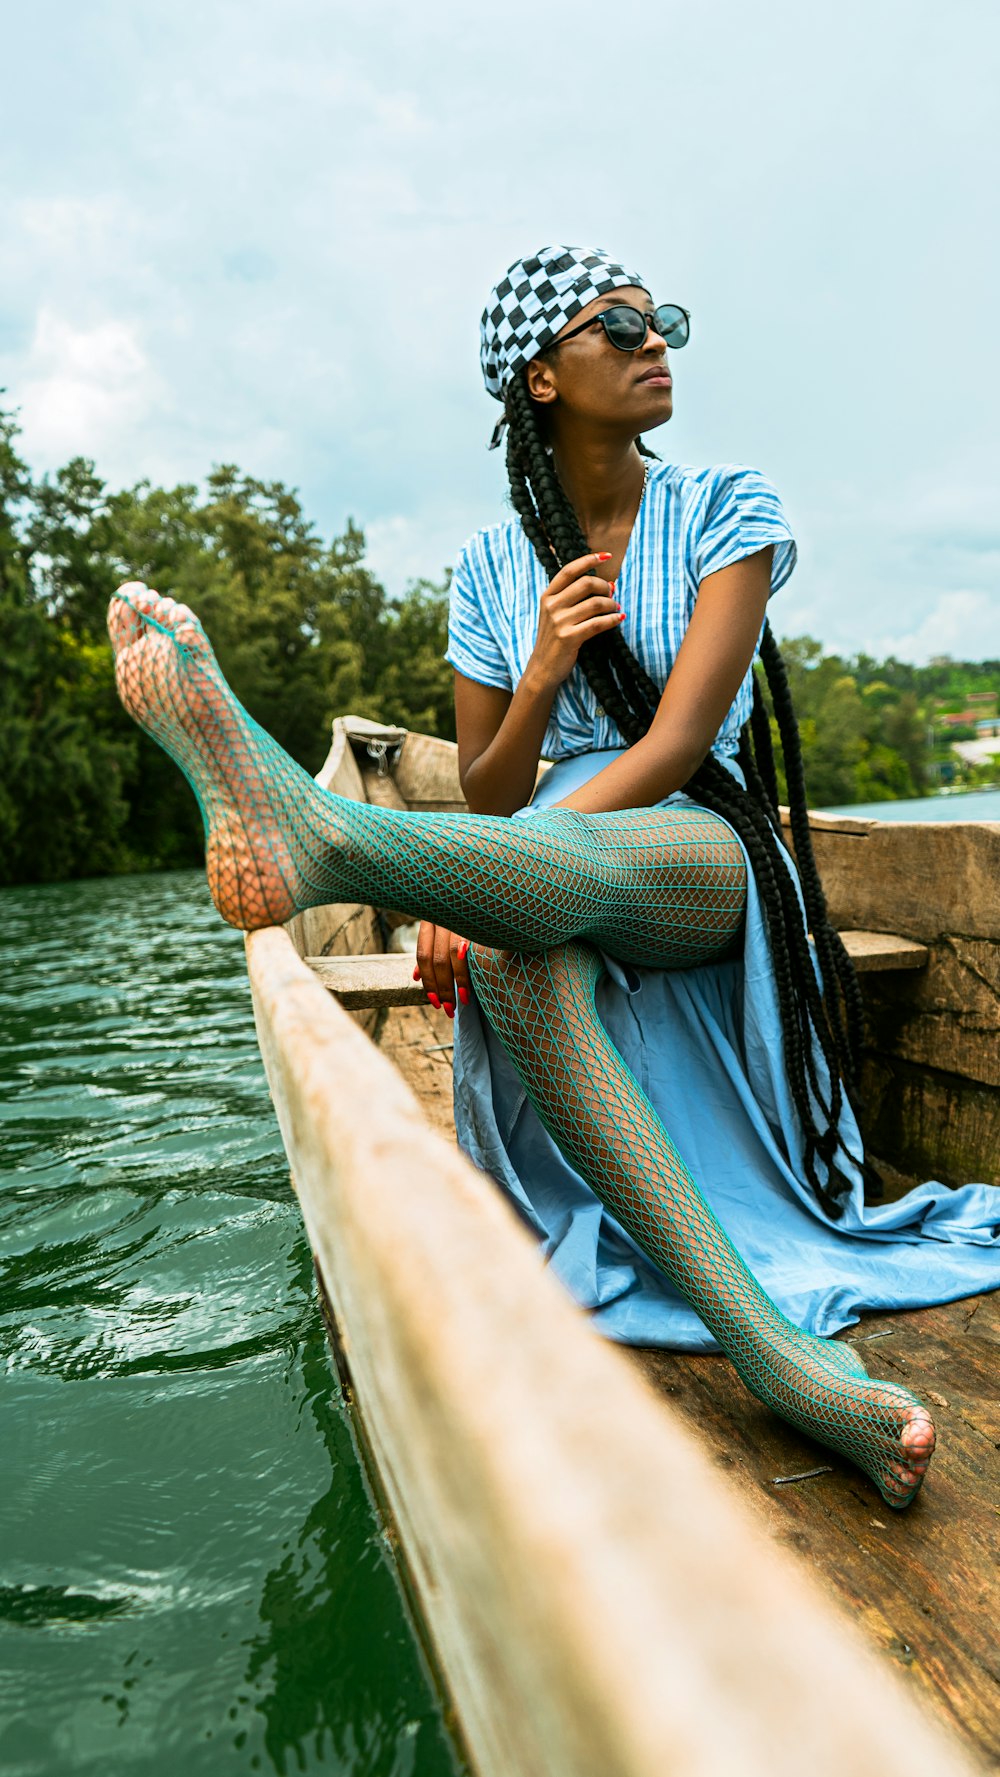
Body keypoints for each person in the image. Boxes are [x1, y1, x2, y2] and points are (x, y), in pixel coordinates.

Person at [107, 245, 999, 1512]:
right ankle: (778, 1358)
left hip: (701, 848)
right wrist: (538, 672)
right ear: (540, 376)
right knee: (524, 951)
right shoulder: (486, 566)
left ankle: (330, 842)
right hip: (535, 865)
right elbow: (484, 781)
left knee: (541, 868)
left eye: (661, 321)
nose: (655, 341)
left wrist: (470, 870)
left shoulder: (725, 509)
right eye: (618, 325)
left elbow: (677, 745)